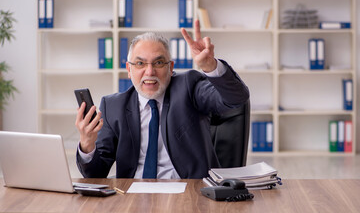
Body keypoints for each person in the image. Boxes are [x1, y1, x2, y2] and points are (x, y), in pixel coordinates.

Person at [75, 19, 249, 179]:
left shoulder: (189, 86)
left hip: (189, 194)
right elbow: (95, 175)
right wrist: (87, 145)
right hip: (132, 196)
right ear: (129, 69)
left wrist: (211, 66)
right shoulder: (113, 106)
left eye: (158, 63)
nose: (149, 72)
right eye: (140, 63)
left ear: (170, 67)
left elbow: (236, 98)